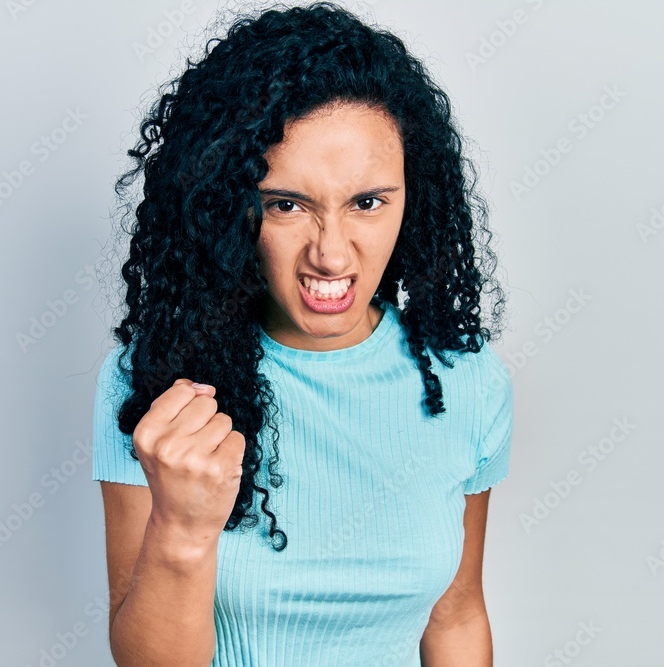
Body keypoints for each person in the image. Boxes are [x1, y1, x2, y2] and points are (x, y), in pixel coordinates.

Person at [92, 2, 514, 665]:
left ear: (415, 197)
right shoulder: (154, 381)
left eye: (368, 203)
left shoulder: (468, 383)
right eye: (288, 205)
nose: (333, 254)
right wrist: (181, 527)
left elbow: (457, 616)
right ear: (231, 208)